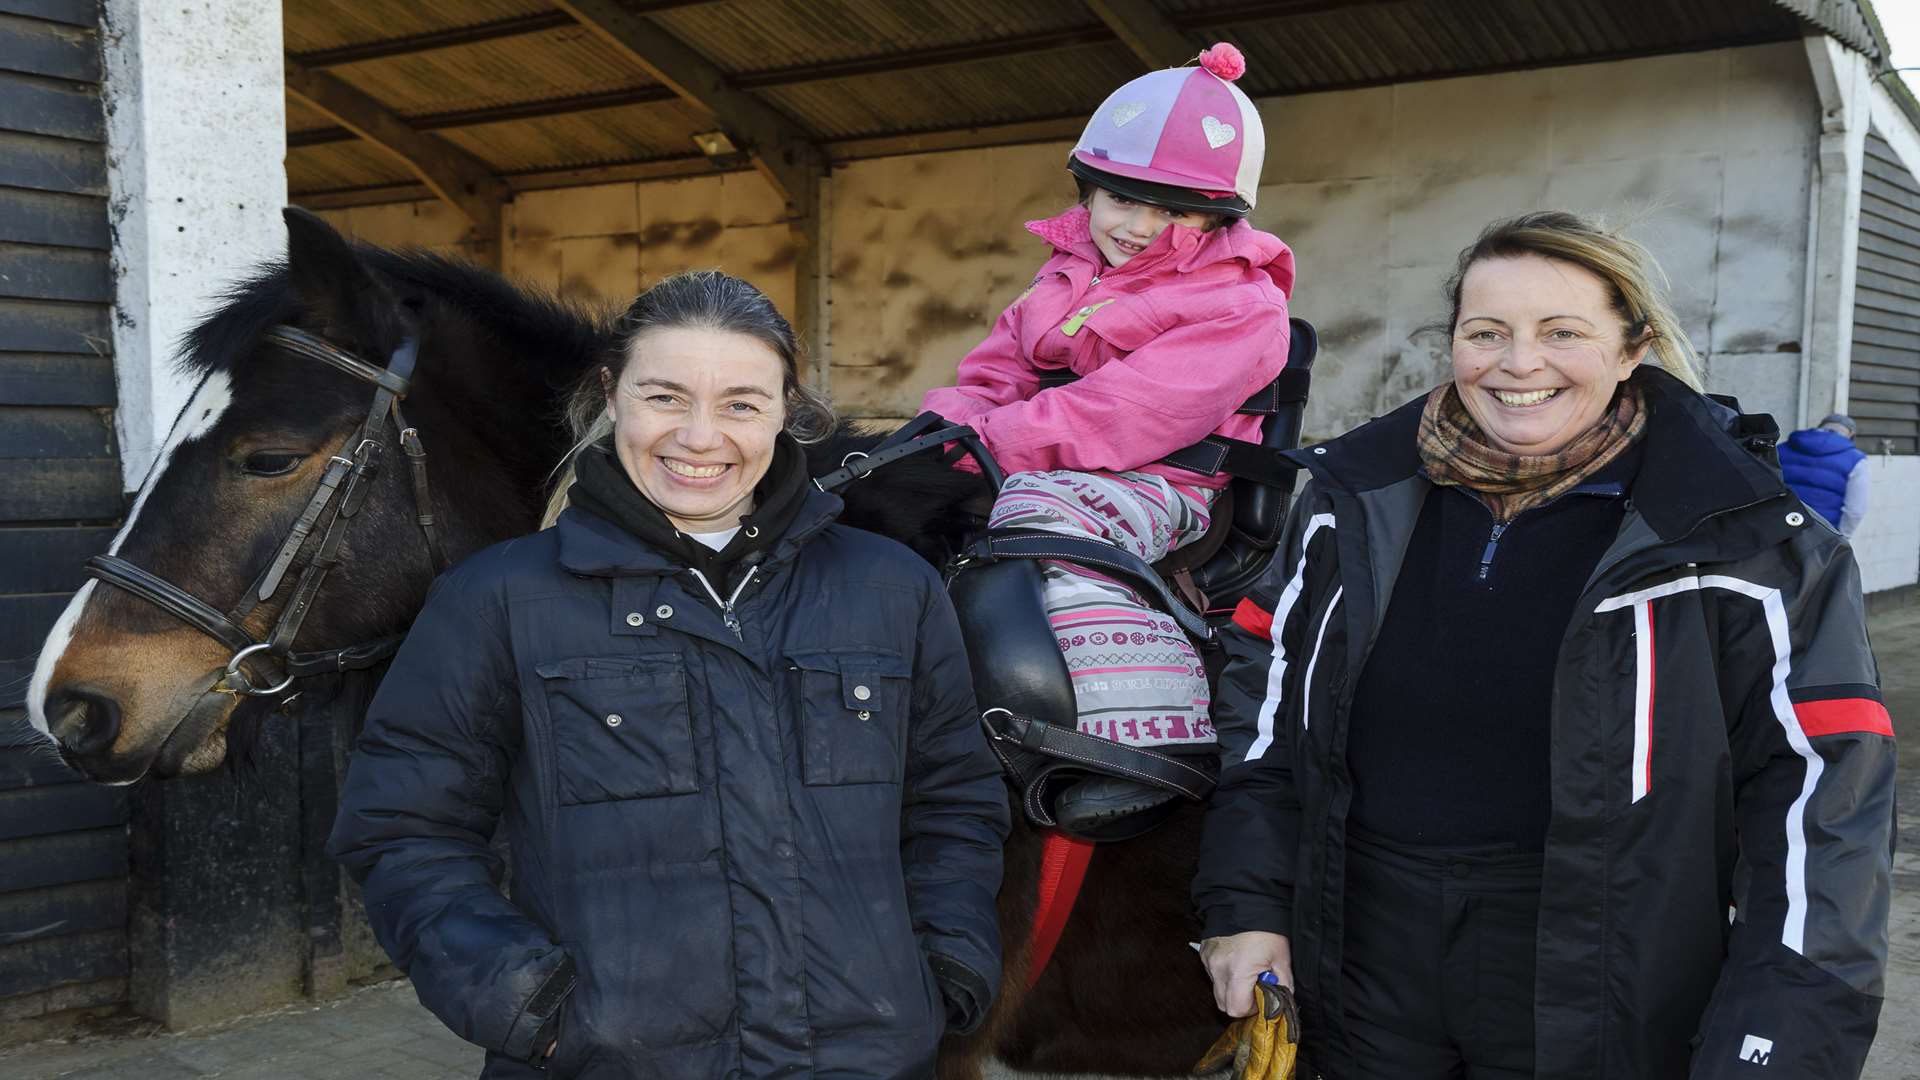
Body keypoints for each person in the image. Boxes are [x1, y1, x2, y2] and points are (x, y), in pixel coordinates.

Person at [1193, 211, 1894, 1078]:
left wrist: (1779, 1038)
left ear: (1634, 347)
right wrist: (1247, 904)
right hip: (1363, 967)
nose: (1519, 363)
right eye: (1486, 332)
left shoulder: (1741, 540)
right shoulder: (1349, 502)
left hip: (1603, 982)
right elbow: (1264, 723)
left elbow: (1820, 809)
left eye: (1562, 332)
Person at [329, 271, 1011, 1079]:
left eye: (740, 403)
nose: (699, 436)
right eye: (666, 397)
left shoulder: (892, 588)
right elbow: (403, 830)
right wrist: (522, 1002)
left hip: (866, 1058)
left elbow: (953, 802)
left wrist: (943, 968)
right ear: (612, 395)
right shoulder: (497, 599)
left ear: (786, 413)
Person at [919, 42, 1294, 825]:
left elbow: (1125, 415)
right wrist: (930, 438)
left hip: (1164, 485)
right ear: (1088, 189)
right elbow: (993, 377)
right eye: (1122, 199)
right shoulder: (1059, 276)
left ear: (1217, 218)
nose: (1138, 225)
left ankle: (1141, 731)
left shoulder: (1244, 307)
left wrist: (987, 445)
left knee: (1040, 517)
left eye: (1173, 210)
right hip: (1035, 459)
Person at [1779, 412, 1870, 537]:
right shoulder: (1855, 460)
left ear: (1820, 427)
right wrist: (1842, 537)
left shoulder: (1781, 449)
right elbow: (1855, 511)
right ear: (1851, 435)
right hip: (1820, 534)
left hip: (1778, 525)